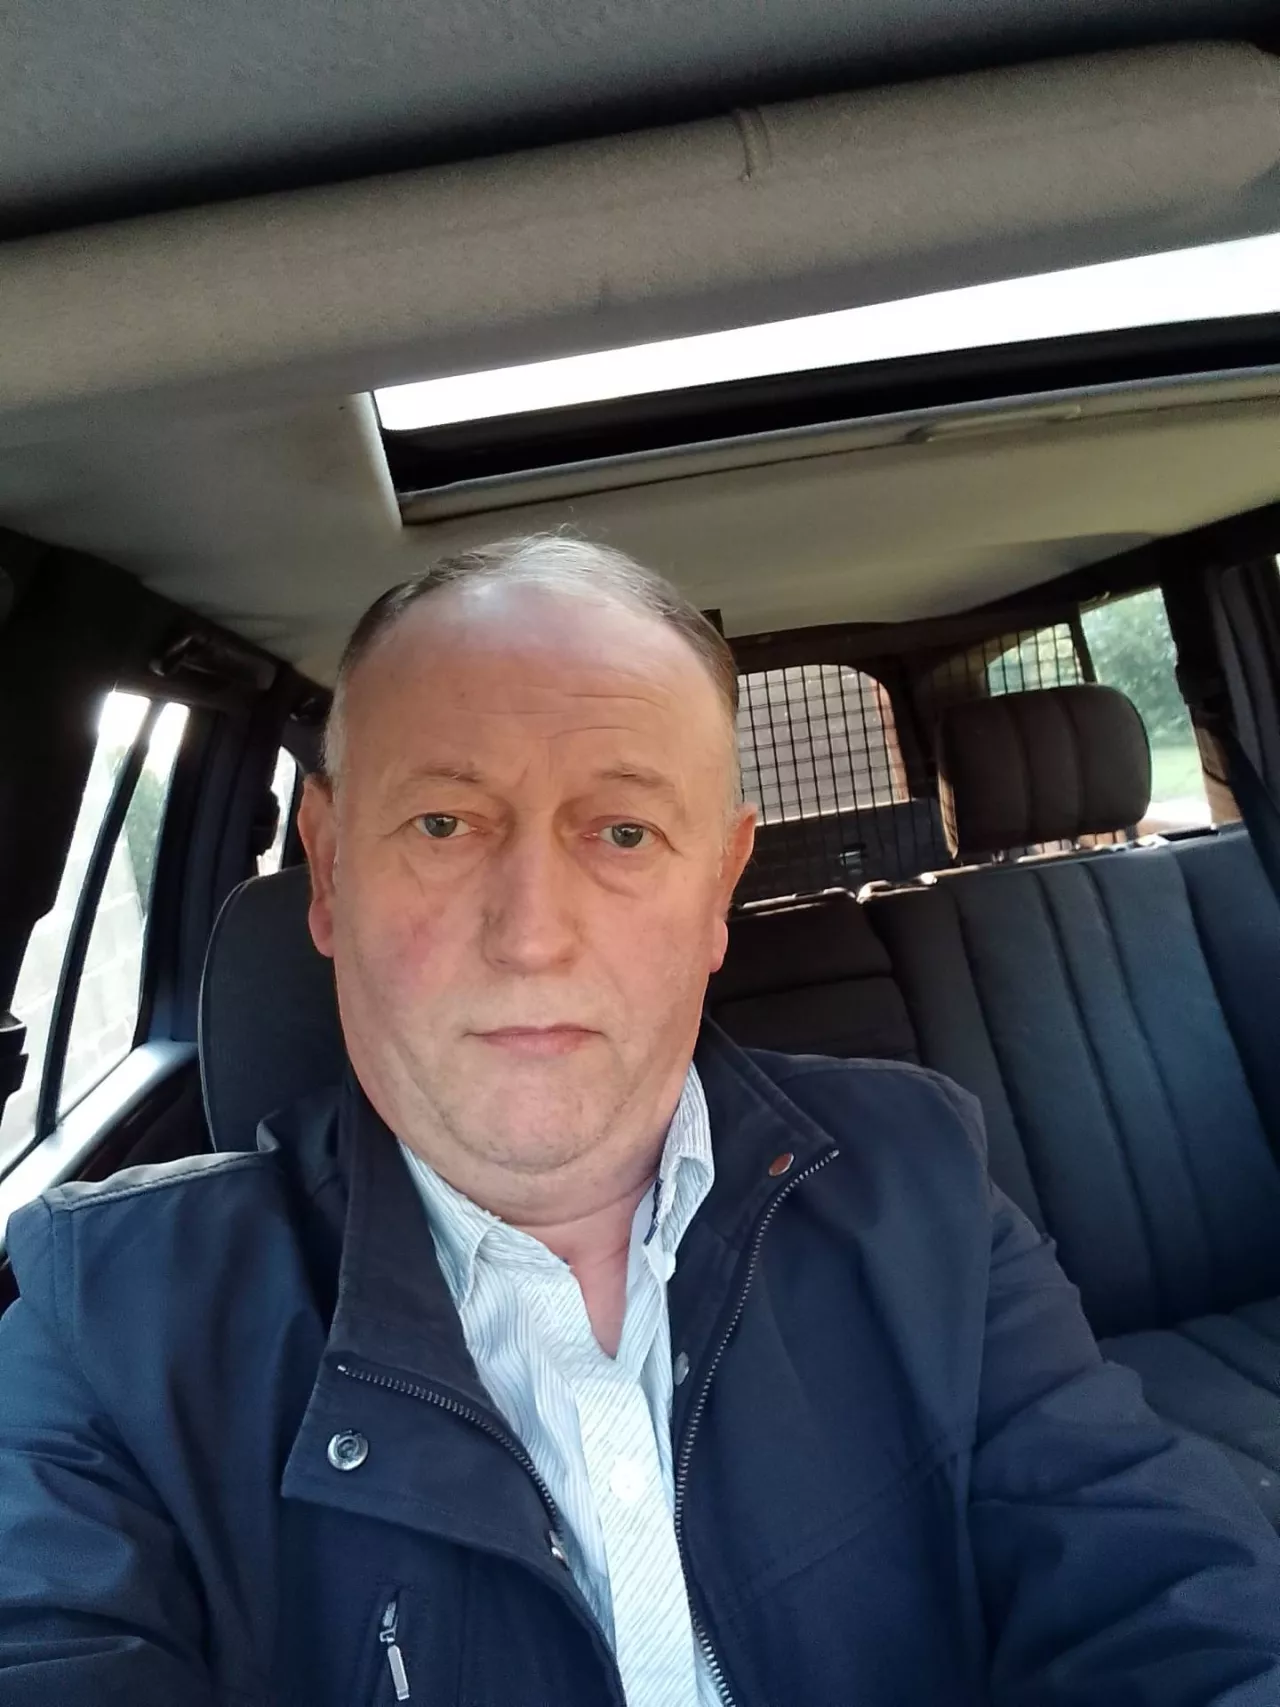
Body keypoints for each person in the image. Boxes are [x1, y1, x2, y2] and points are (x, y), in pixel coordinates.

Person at [1, 533, 1279, 1707]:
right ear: (328, 869)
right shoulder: (106, 1324)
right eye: (443, 822)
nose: (531, 933)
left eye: (622, 831)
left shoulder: (917, 1178)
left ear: (718, 887)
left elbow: (1158, 1594)